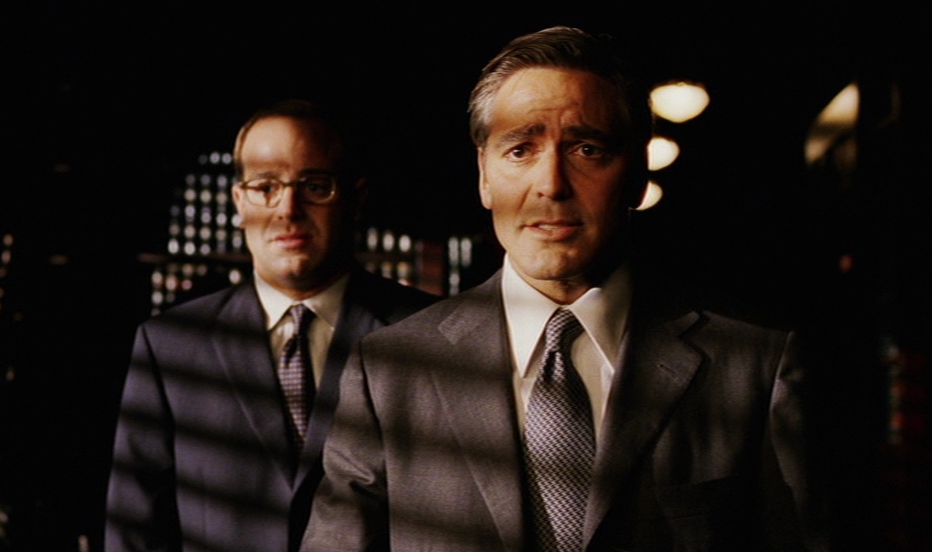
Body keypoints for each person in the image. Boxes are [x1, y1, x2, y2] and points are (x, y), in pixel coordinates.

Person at [301, 27, 829, 551]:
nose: (551, 184)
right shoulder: (391, 371)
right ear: (484, 175)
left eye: (587, 149)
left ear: (637, 173)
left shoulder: (753, 362)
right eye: (520, 150)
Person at [105, 99, 437, 552]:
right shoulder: (170, 347)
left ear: (357, 199)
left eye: (315, 186)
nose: (288, 210)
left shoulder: (429, 333)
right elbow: (135, 530)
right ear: (239, 202)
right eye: (265, 187)